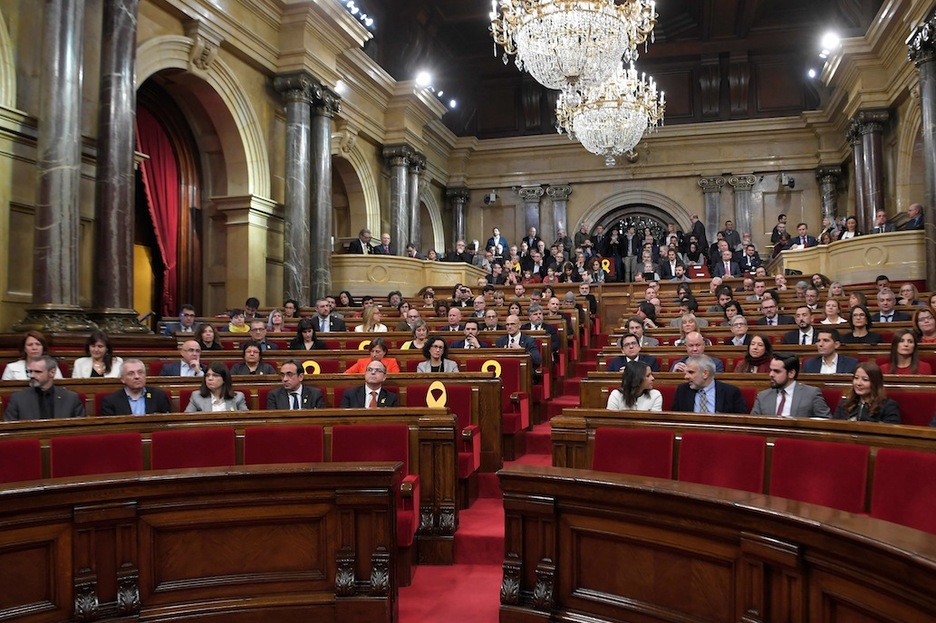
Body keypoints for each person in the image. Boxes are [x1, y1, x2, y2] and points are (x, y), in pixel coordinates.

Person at [3, 355, 85, 421]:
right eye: (30, 371)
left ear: (52, 372)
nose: (32, 375)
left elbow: (80, 429)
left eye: (37, 372)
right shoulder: (18, 399)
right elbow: (10, 430)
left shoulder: (71, 398)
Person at [751, 354, 831, 418]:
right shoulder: (762, 396)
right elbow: (753, 424)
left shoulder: (811, 394)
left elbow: (826, 422)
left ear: (791, 373)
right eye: (771, 370)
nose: (771, 374)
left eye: (776, 371)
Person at [672, 355, 747, 414]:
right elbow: (675, 420)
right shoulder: (682, 391)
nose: (686, 377)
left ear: (705, 374)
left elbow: (740, 422)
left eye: (691, 372)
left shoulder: (731, 393)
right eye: (686, 373)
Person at [832, 362, 901, 423]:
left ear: (875, 383)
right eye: (856, 378)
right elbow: (834, 427)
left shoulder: (888, 406)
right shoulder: (845, 404)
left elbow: (891, 431)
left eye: (865, 380)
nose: (858, 383)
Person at [100, 359, 172, 415]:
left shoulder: (159, 396)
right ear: (122, 379)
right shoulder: (111, 401)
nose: (137, 376)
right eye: (131, 373)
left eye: (140, 372)